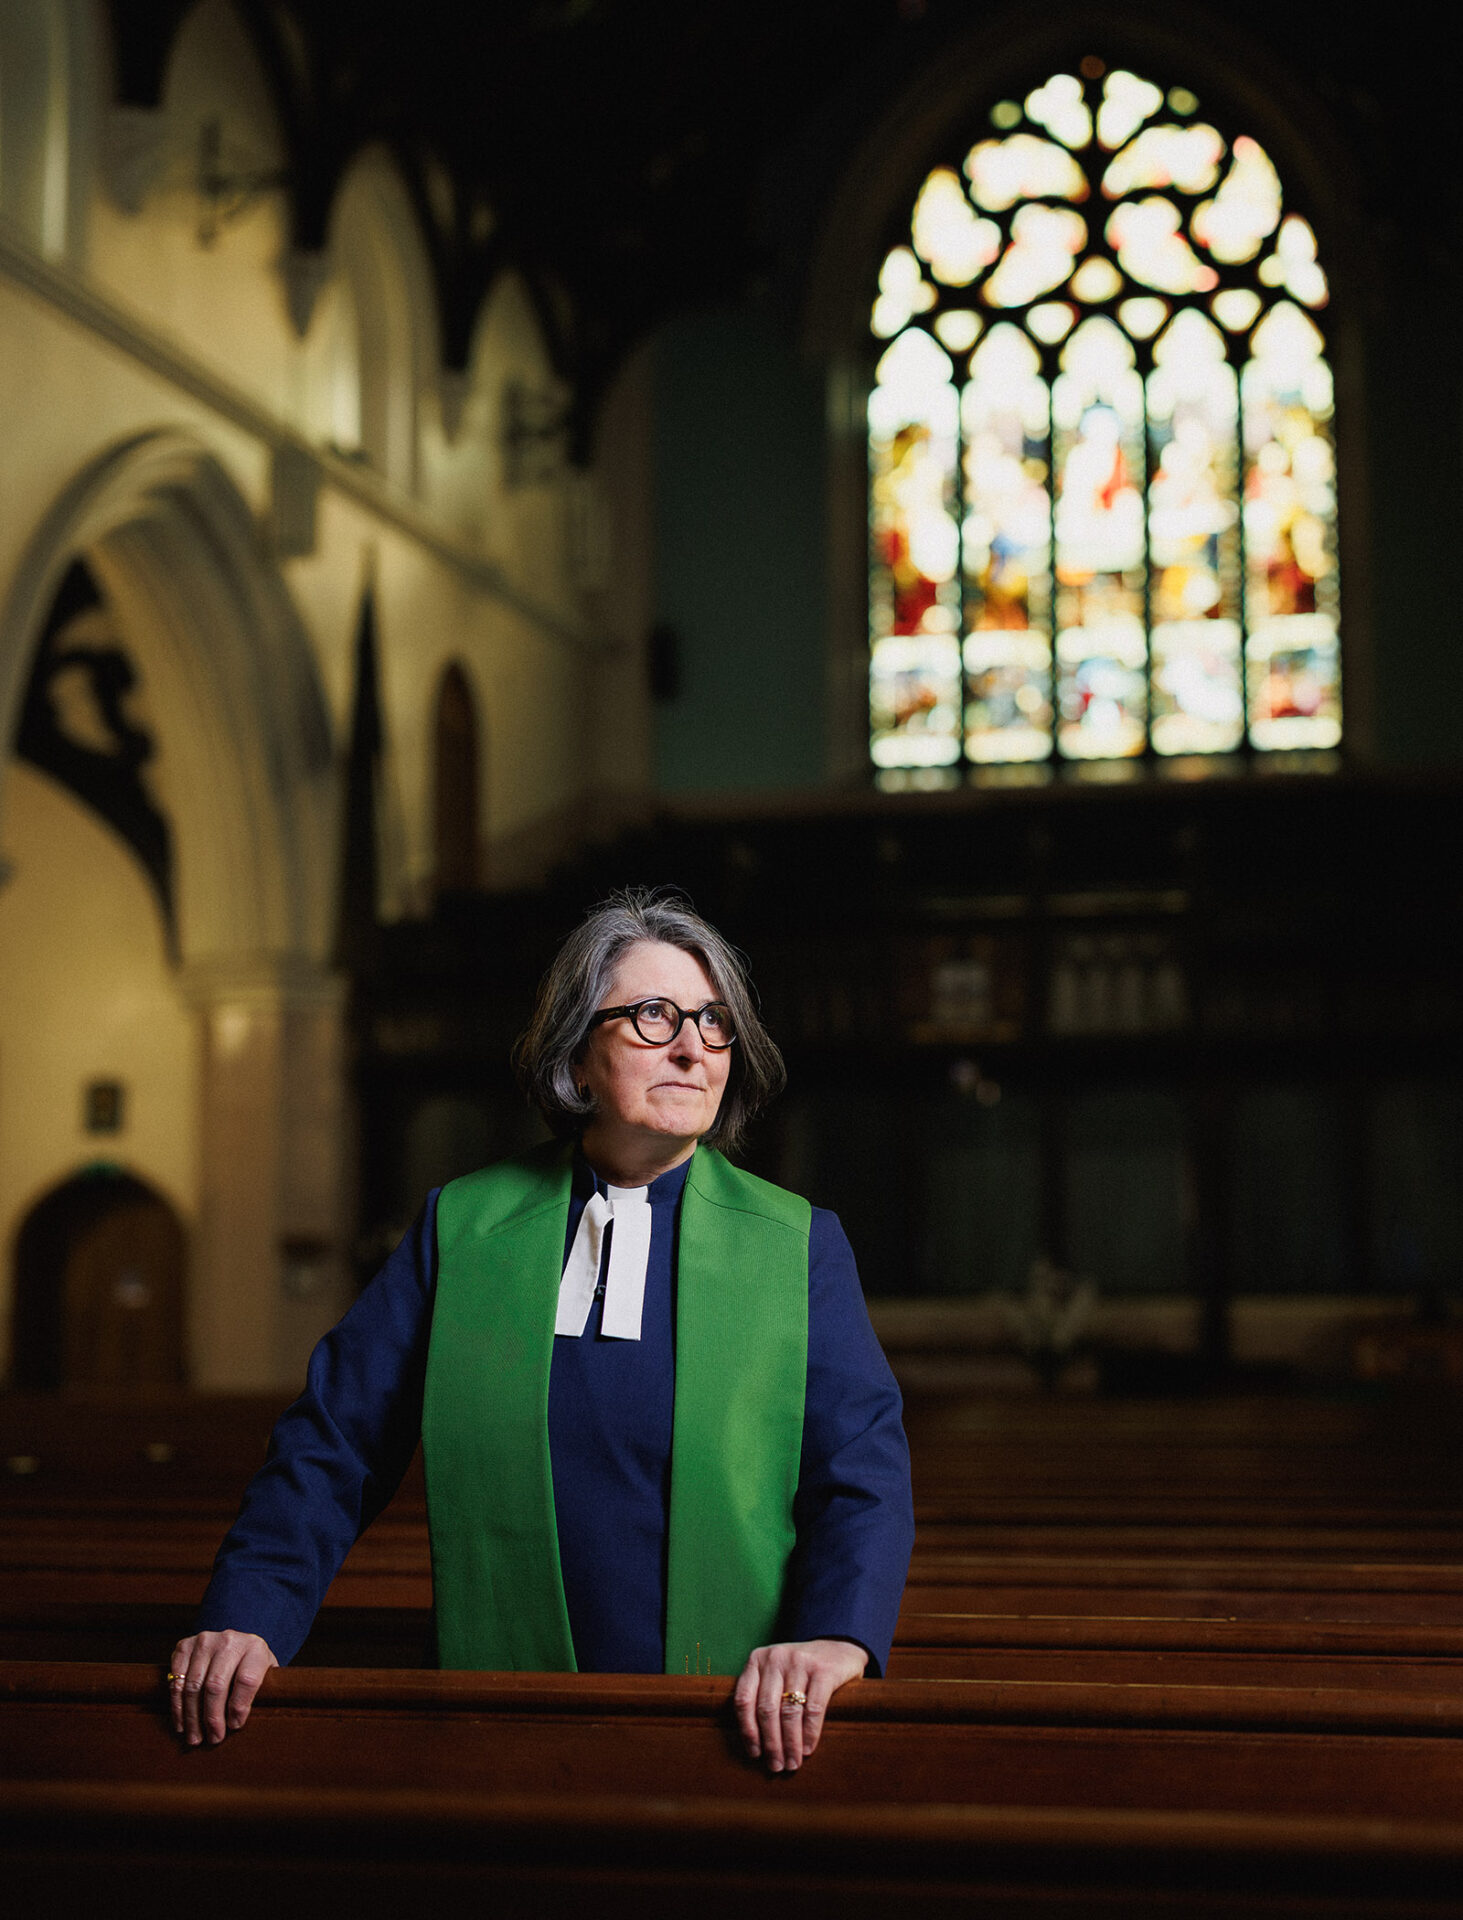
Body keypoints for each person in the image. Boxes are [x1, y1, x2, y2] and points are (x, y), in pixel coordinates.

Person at [170, 889, 914, 1773]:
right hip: (497, 1714)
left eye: (714, 1024)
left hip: (731, 1724)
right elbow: (333, 1443)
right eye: (653, 1017)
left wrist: (835, 1638)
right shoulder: (467, 1228)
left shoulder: (795, 1244)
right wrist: (247, 1615)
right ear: (577, 1052)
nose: (691, 1048)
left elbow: (861, 1475)